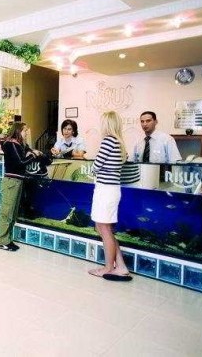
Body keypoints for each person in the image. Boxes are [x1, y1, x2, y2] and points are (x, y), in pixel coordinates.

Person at [88, 111, 131, 281]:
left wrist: (94, 166)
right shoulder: (119, 142)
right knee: (103, 228)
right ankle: (120, 266)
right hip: (111, 189)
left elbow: (96, 166)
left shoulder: (108, 141)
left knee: (104, 229)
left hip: (105, 190)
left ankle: (108, 268)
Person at [0, 122, 43, 251]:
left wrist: (32, 152)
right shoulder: (11, 144)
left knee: (12, 213)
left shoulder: (20, 145)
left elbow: (28, 151)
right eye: (25, 131)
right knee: (7, 213)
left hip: (17, 181)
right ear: (18, 131)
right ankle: (2, 241)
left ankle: (7, 240)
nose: (27, 133)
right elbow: (20, 163)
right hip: (11, 182)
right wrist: (33, 155)